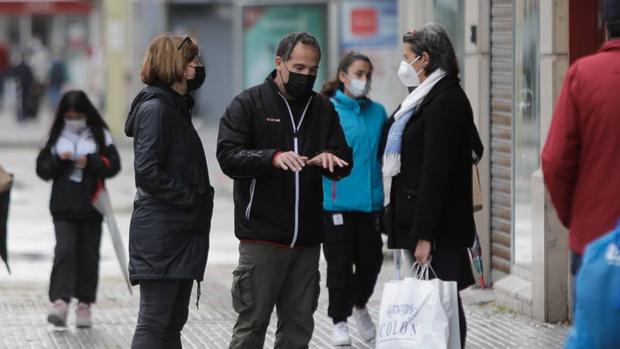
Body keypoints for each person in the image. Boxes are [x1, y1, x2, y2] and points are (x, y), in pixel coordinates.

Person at [217, 31, 353, 348]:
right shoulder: (248, 104)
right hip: (261, 238)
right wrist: (272, 158)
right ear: (279, 63)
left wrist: (331, 161)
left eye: (312, 70)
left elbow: (345, 158)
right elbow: (228, 156)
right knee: (252, 326)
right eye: (299, 67)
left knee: (298, 328)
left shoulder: (322, 109)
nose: (305, 76)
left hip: (306, 240)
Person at [382, 24, 482, 349]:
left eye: (407, 57)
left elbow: (436, 172)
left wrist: (425, 235)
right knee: (441, 301)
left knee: (443, 302)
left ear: (424, 59)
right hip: (427, 222)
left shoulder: (445, 100)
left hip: (437, 228)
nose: (403, 65)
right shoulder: (424, 97)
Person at [125, 34, 214, 349]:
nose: (199, 67)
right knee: (154, 323)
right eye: (193, 62)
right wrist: (190, 199)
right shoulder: (156, 109)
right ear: (174, 66)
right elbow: (146, 172)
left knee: (173, 323)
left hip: (179, 231)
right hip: (162, 233)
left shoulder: (177, 108)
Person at [542, 0, 620, 281]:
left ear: (605, 26)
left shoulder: (584, 75)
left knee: (596, 324)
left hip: (594, 241)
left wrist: (577, 218)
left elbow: (554, 161)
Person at [36, 90, 121, 328]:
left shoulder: (100, 136)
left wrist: (91, 161)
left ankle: (84, 304)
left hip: (92, 206)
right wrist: (59, 161)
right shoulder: (54, 136)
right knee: (64, 251)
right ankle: (60, 302)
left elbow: (114, 166)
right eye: (70, 116)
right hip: (63, 207)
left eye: (78, 115)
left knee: (88, 255)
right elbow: (41, 169)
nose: (74, 120)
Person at [319, 52, 386, 346]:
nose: (365, 80)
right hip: (337, 203)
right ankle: (339, 320)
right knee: (339, 266)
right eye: (359, 73)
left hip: (370, 203)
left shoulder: (378, 112)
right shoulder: (326, 111)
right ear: (343, 76)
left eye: (368, 74)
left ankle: (360, 305)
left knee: (372, 261)